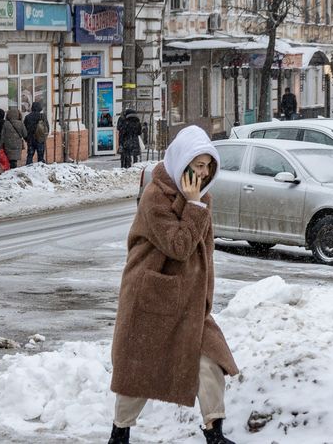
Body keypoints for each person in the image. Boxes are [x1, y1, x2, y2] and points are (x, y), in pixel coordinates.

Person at [108, 126, 238, 444]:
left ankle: (214, 432)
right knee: (139, 367)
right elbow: (178, 245)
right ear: (182, 162)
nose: (204, 173)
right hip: (152, 295)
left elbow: (202, 252)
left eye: (208, 166)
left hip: (189, 301)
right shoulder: (157, 196)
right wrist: (194, 208)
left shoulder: (199, 197)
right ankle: (119, 432)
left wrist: (205, 295)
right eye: (198, 165)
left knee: (211, 359)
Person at [23, 101, 48, 165]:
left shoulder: (27, 117)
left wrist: (26, 138)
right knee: (40, 156)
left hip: (30, 139)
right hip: (40, 139)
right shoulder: (43, 116)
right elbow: (47, 128)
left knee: (30, 155)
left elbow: (24, 129)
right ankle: (41, 170)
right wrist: (44, 136)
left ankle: (28, 169)